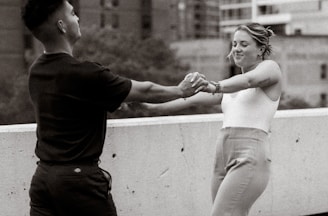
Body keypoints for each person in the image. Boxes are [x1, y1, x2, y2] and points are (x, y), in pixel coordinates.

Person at [21, 1, 208, 216]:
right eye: (73, 14)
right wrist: (180, 90)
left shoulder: (37, 70)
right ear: (62, 26)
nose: (78, 18)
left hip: (43, 179)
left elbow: (69, 104)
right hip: (78, 182)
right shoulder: (85, 73)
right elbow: (145, 90)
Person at [136, 23, 282, 216]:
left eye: (244, 44)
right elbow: (187, 101)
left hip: (250, 155)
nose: (237, 48)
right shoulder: (230, 87)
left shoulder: (270, 69)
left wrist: (213, 86)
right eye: (234, 43)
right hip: (222, 157)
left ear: (260, 49)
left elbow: (249, 81)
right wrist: (144, 106)